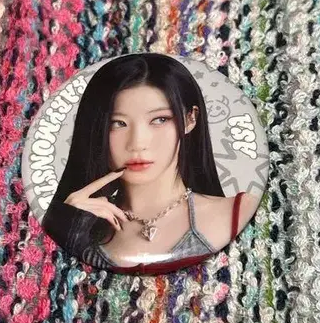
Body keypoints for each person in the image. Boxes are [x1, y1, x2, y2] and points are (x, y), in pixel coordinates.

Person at [41, 53, 259, 275]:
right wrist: (67, 222)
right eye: (118, 123)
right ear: (96, 129)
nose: (137, 143)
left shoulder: (241, 211)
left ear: (190, 119)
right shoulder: (72, 225)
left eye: (159, 120)